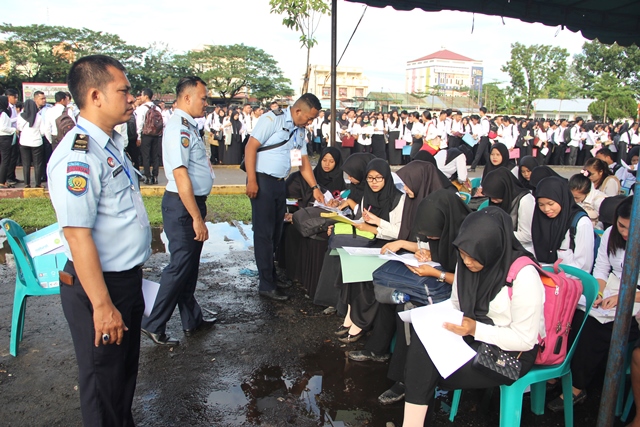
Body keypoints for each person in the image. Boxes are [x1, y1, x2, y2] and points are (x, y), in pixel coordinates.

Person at [47, 54, 152, 427]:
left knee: (121, 381)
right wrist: (102, 305)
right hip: (99, 287)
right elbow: (78, 236)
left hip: (124, 281)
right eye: (122, 91)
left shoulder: (109, 144)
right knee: (102, 384)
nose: (130, 98)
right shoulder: (78, 155)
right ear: (94, 95)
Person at [402, 207, 544, 426]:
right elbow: (457, 304)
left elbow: (525, 339)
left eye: (474, 257)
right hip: (472, 335)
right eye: (463, 255)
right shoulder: (467, 262)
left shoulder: (524, 276)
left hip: (510, 354)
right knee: (422, 343)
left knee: (424, 372)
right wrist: (428, 315)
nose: (467, 262)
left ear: (493, 249)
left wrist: (475, 328)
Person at [141, 76, 217, 346]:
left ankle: (191, 319)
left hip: (191, 203)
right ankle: (153, 323)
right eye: (203, 97)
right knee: (180, 266)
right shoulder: (178, 129)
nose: (206, 103)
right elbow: (180, 174)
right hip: (182, 206)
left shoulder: (187, 125)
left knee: (188, 266)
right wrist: (197, 217)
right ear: (187, 98)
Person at [548, 196, 640, 412]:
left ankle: (578, 387)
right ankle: (562, 371)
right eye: (621, 226)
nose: (625, 233)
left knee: (597, 327)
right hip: (613, 288)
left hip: (634, 297)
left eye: (631, 228)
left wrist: (624, 297)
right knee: (577, 313)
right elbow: (601, 269)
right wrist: (597, 293)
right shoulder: (610, 234)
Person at [245, 93, 323, 301]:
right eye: (309, 118)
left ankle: (270, 275)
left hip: (280, 184)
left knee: (276, 232)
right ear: (298, 111)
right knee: (263, 234)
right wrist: (252, 180)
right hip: (262, 181)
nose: (310, 122)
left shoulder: (299, 131)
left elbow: (302, 161)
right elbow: (251, 147)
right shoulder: (273, 119)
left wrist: (314, 187)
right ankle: (266, 285)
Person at [532, 176, 595, 271]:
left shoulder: (581, 223)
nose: (546, 209)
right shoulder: (540, 219)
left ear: (561, 198)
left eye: (551, 204)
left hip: (570, 280)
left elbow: (583, 265)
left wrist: (556, 278)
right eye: (541, 205)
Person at [481, 167, 535, 253]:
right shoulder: (496, 200)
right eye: (490, 197)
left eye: (496, 197)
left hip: (521, 249)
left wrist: (498, 234)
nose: (492, 200)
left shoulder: (525, 200)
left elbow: (527, 235)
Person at [135, 88, 163, 184]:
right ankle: (155, 176)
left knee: (146, 156)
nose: (141, 97)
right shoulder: (157, 108)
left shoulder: (142, 108)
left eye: (142, 95)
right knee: (155, 156)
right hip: (156, 135)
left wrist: (138, 136)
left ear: (146, 96)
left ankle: (147, 176)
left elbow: (139, 123)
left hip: (146, 134)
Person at [17, 99, 45, 188]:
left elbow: (19, 128)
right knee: (37, 164)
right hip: (36, 142)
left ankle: (26, 183)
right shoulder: (39, 117)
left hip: (24, 142)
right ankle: (38, 183)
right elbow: (43, 131)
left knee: (26, 163)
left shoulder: (20, 116)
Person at [0, 96, 16, 188]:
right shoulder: (3, 114)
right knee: (5, 160)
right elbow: (3, 127)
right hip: (5, 138)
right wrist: (13, 130)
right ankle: (2, 181)